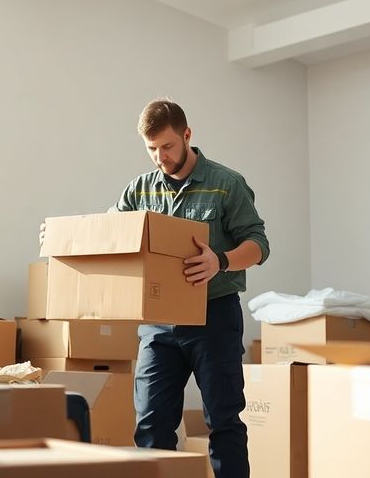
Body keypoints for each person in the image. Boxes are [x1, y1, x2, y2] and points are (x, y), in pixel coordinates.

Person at [119, 98, 268, 478]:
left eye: (167, 146)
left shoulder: (226, 184)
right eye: (151, 149)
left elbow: (258, 245)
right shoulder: (139, 189)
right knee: (151, 427)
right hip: (158, 324)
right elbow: (112, 235)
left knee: (223, 421)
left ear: (187, 135)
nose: (159, 157)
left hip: (213, 316)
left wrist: (220, 260)